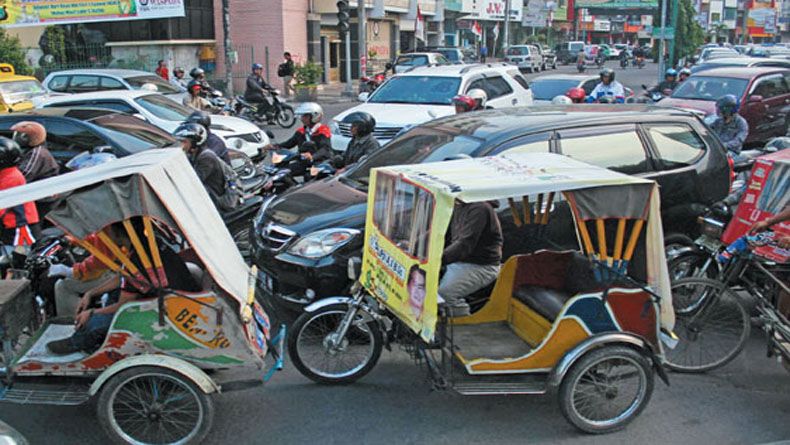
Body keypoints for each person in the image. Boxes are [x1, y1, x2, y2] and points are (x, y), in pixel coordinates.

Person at [46, 220, 200, 354]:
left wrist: (91, 312)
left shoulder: (138, 258)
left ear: (119, 234)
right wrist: (90, 293)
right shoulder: (147, 244)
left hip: (166, 309)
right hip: (173, 297)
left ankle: (79, 343)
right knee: (112, 295)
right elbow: (124, 277)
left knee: (94, 321)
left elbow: (123, 305)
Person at [439, 200, 503, 316]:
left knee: (445, 294)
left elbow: (465, 244)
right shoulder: (458, 205)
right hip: (459, 261)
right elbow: (439, 231)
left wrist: (438, 260)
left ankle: (461, 328)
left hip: (480, 266)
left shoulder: (479, 208)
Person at [48, 234, 122, 317]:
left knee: (63, 286)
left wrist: (71, 271)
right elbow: (99, 240)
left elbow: (100, 262)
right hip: (117, 270)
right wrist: (74, 239)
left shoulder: (109, 227)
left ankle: (74, 321)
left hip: (115, 272)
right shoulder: (107, 227)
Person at [265, 103, 332, 177]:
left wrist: (312, 156)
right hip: (303, 161)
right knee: (283, 171)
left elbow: (325, 149)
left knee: (309, 176)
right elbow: (289, 143)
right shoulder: (301, 132)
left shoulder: (323, 131)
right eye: (302, 116)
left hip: (319, 162)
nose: (302, 118)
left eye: (305, 116)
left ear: (314, 116)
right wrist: (274, 146)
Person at [0, 137, 38, 248]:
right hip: (9, 224)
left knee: (17, 260)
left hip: (19, 226)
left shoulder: (11, 178)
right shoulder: (5, 173)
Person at [174, 122, 226, 201]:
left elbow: (195, 181)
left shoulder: (206, 157)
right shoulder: (192, 154)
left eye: (184, 142)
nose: (181, 145)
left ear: (195, 143)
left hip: (213, 199)